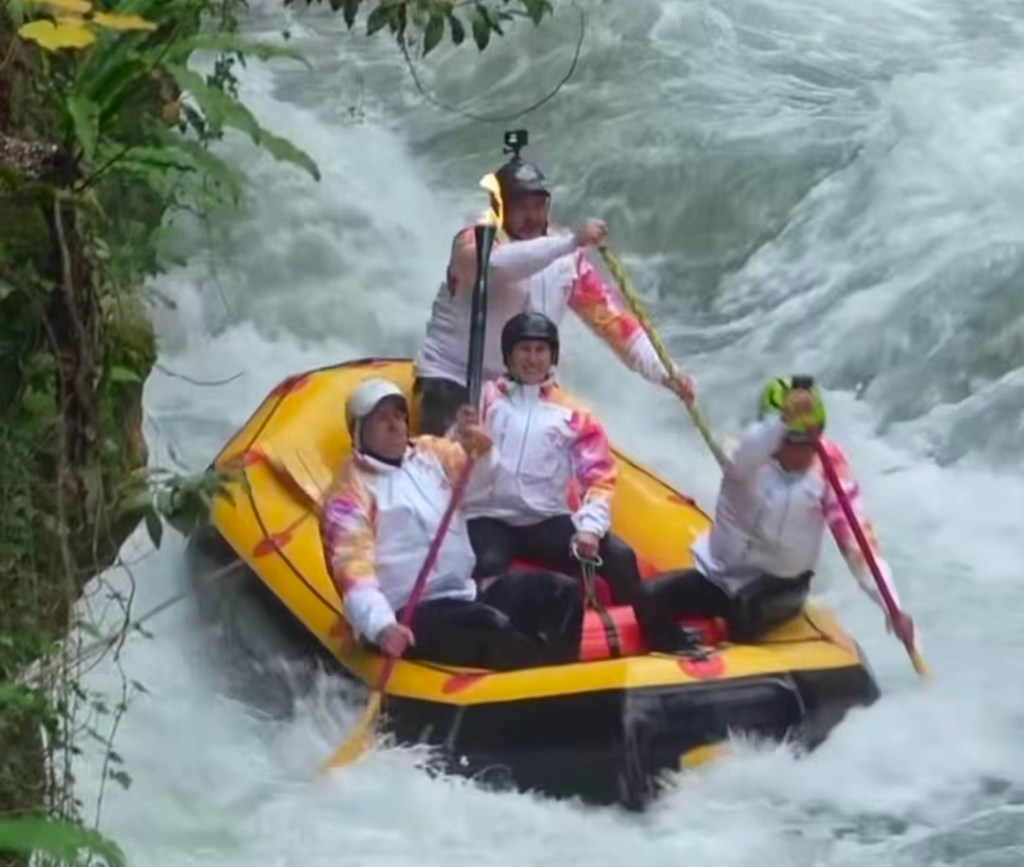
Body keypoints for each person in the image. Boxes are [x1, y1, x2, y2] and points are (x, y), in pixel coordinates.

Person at [413, 132, 695, 435]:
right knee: (459, 443)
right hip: (453, 376)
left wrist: (666, 373)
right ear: (499, 208)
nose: (532, 217)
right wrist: (570, 242)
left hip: (524, 382)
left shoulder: (567, 260)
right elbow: (500, 267)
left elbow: (615, 324)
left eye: (539, 206)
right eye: (521, 207)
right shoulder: (473, 242)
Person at [463, 312, 693, 654]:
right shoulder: (483, 400)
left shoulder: (574, 414)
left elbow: (599, 477)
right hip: (489, 515)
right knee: (486, 569)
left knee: (618, 555)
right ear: (509, 355)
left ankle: (655, 635)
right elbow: (451, 452)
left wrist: (589, 528)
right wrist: (463, 432)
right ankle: (503, 645)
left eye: (541, 350)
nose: (532, 359)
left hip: (543, 518)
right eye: (524, 349)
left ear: (552, 357)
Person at [319, 376, 584, 671]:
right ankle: (538, 689)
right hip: (408, 611)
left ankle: (558, 676)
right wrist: (382, 626)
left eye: (398, 415)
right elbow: (353, 575)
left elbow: (480, 485)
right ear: (358, 431)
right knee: (489, 626)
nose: (394, 424)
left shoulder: (429, 452)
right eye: (381, 418)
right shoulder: (348, 495)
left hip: (463, 590)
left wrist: (480, 449)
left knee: (563, 592)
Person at [637, 376, 916, 649]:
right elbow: (748, 450)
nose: (804, 453)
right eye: (793, 442)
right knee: (648, 596)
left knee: (745, 609)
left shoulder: (830, 470)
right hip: (720, 579)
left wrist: (892, 607)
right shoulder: (744, 459)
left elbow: (860, 548)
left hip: (779, 586)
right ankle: (676, 652)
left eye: (810, 442)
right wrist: (783, 421)